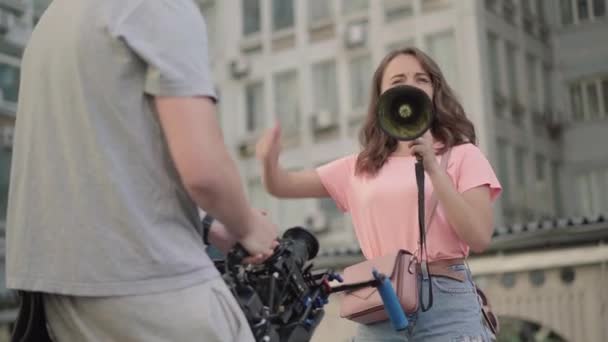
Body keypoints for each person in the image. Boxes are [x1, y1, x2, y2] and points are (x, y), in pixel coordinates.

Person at [5, 0, 277, 341]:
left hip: (68, 294)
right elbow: (205, 173)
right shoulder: (158, 6)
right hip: (152, 287)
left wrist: (209, 225)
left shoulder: (54, 20)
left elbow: (102, 158)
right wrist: (248, 225)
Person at [256, 47, 502, 341]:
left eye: (421, 79)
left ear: (435, 91)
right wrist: (268, 162)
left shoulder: (463, 155)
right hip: (381, 299)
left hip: (446, 299)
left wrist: (434, 169)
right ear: (382, 96)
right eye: (398, 80)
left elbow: (479, 237)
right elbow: (281, 185)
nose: (410, 85)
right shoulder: (360, 166)